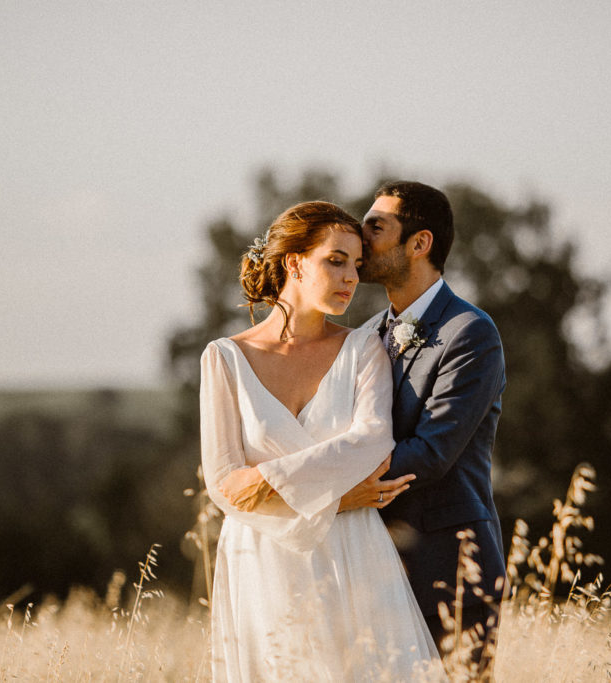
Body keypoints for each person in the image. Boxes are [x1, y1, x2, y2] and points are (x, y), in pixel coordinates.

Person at [199, 201, 445, 681]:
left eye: (356, 265)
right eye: (335, 260)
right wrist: (337, 499)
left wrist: (268, 477)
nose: (351, 277)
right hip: (262, 556)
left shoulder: (363, 348)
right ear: (294, 262)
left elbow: (372, 441)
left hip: (352, 550)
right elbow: (224, 483)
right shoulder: (224, 359)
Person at [340, 181, 507, 670]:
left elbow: (432, 453)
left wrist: (326, 483)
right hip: (373, 568)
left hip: (450, 569)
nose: (359, 236)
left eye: (376, 226)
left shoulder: (471, 333)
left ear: (419, 243)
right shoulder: (366, 334)